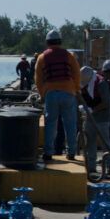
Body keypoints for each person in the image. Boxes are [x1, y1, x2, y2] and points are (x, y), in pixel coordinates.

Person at [35, 29, 81, 162]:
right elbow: (77, 73)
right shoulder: (69, 55)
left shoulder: (42, 57)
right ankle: (71, 152)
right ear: (60, 41)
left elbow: (38, 79)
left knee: (50, 124)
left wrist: (42, 93)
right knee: (70, 124)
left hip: (51, 94)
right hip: (68, 93)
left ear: (47, 42)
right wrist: (76, 89)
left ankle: (48, 152)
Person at [79, 66, 110, 176]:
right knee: (90, 142)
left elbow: (107, 102)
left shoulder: (101, 84)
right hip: (90, 118)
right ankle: (91, 167)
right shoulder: (85, 85)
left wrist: (92, 110)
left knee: (106, 144)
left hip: (102, 118)